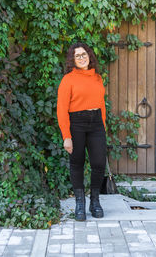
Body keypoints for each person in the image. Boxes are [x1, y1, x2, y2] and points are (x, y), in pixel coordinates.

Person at [57, 42, 107, 221]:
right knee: (76, 163)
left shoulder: (97, 78)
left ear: (89, 55)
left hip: (96, 124)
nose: (81, 58)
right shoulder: (68, 80)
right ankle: (80, 203)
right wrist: (66, 136)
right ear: (73, 59)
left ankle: (95, 201)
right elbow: (61, 109)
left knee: (99, 163)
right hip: (76, 124)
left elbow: (101, 104)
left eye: (84, 54)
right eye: (77, 55)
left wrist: (104, 126)